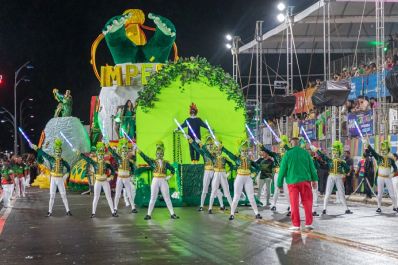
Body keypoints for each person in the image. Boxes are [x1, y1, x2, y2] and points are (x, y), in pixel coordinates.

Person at [278, 138, 318, 231]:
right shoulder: (305, 153)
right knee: (307, 202)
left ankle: (296, 224)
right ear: (299, 143)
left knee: (294, 203)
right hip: (305, 181)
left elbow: (282, 170)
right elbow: (312, 168)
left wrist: (279, 182)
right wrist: (314, 180)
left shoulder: (287, 154)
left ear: (291, 143)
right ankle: (308, 223)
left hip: (292, 182)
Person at [137, 141, 179, 220]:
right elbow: (145, 157)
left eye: (161, 153)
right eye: (158, 153)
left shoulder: (166, 163)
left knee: (167, 197)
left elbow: (173, 170)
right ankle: (148, 214)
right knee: (153, 197)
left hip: (163, 180)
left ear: (163, 154)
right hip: (155, 180)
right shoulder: (152, 161)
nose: (159, 155)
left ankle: (172, 214)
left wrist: (169, 177)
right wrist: (139, 151)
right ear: (156, 154)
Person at [31, 139, 72, 217]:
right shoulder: (51, 159)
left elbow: (69, 168)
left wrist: (65, 175)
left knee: (63, 195)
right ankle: (49, 211)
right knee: (52, 195)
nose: (58, 153)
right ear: (54, 151)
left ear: (61, 152)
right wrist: (37, 149)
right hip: (53, 178)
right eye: (56, 151)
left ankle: (68, 210)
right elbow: (43, 154)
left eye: (59, 151)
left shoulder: (63, 161)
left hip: (60, 179)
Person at [223, 139, 262, 221]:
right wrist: (222, 148)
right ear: (240, 151)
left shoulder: (249, 161)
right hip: (239, 177)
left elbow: (258, 168)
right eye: (243, 151)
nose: (245, 152)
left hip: (248, 178)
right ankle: (232, 214)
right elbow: (228, 153)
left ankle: (257, 213)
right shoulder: (236, 158)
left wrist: (254, 174)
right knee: (236, 196)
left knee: (251, 196)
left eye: (246, 151)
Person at [76, 142, 117, 218]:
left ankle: (113, 212)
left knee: (109, 197)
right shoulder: (94, 163)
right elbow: (87, 158)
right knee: (96, 197)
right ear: (98, 155)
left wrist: (111, 176)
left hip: (105, 182)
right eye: (99, 154)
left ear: (103, 155)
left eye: (102, 155)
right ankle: (93, 213)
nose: (101, 156)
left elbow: (113, 170)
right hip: (97, 182)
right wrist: (80, 154)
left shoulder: (106, 164)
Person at [314, 141, 353, 215]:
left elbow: (348, 169)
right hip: (331, 176)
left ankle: (346, 209)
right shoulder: (330, 160)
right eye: (333, 152)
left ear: (339, 153)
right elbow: (322, 156)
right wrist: (316, 150)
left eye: (336, 152)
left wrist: (343, 173)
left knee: (342, 193)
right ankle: (324, 209)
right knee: (327, 193)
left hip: (338, 177)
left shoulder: (342, 161)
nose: (334, 154)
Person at [188, 136, 226, 213]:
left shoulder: (216, 152)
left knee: (217, 189)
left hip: (215, 172)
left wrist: (218, 142)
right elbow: (197, 149)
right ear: (206, 145)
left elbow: (220, 149)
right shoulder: (204, 152)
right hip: (207, 171)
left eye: (211, 144)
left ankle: (222, 205)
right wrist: (192, 141)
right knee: (205, 189)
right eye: (208, 144)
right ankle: (201, 206)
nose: (210, 146)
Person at [365, 140, 398, 213]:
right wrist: (368, 145)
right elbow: (373, 151)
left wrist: (392, 174)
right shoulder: (378, 157)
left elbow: (395, 168)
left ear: (388, 150)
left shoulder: (391, 159)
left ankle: (395, 206)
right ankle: (379, 207)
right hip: (380, 178)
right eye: (382, 150)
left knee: (392, 194)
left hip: (388, 178)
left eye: (384, 150)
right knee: (379, 194)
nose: (383, 151)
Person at [108, 138, 137, 214]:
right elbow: (112, 152)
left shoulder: (129, 161)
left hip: (127, 178)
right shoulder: (118, 159)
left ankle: (133, 207)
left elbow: (133, 166)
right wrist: (107, 145)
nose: (124, 152)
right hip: (120, 178)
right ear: (121, 151)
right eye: (123, 151)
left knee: (129, 192)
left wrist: (134, 148)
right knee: (117, 193)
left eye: (125, 151)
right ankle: (115, 208)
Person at [270, 135, 291, 216]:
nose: (282, 149)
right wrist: (262, 147)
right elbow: (269, 152)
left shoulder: (288, 154)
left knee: (287, 191)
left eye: (283, 147)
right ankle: (273, 205)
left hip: (286, 174)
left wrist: (282, 142)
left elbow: (289, 149)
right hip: (278, 173)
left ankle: (290, 205)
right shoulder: (276, 155)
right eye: (281, 147)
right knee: (277, 189)